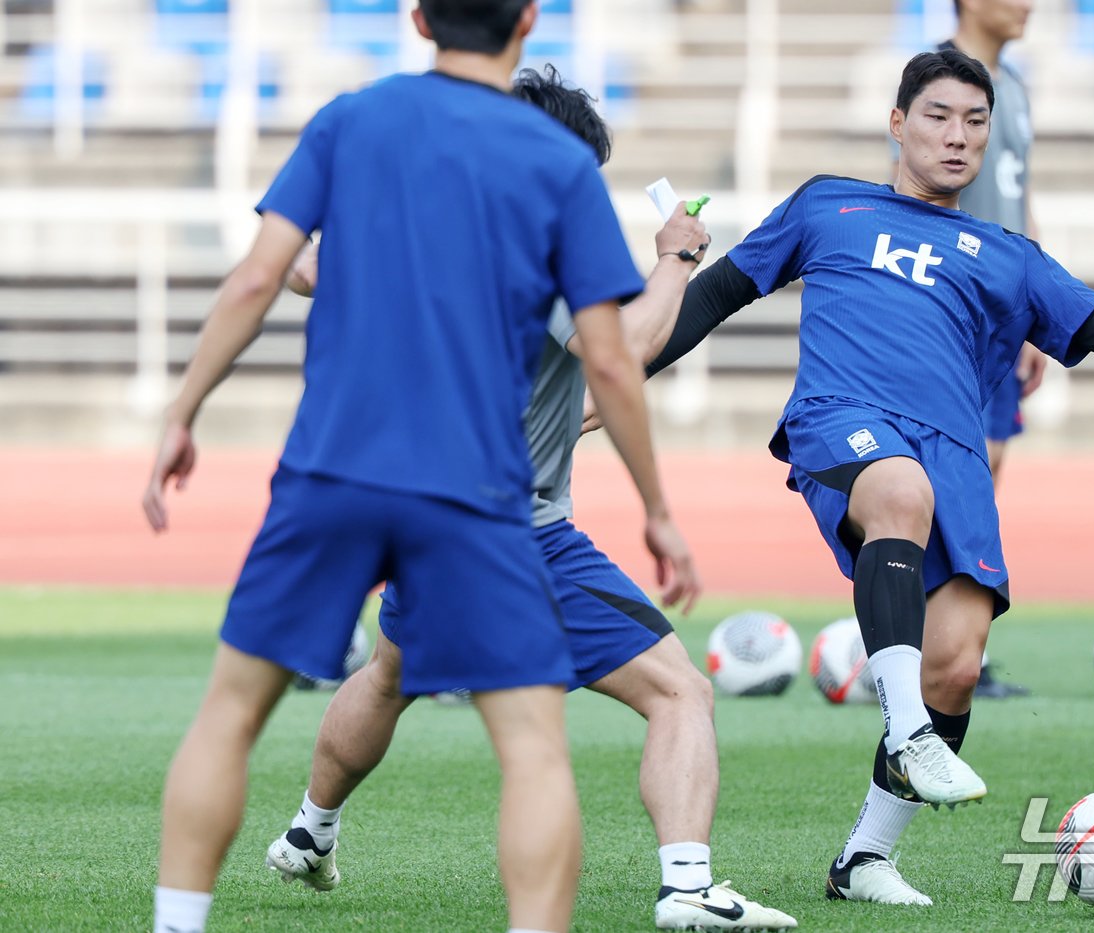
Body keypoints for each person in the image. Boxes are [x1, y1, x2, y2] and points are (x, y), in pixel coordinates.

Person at [139, 3, 699, 932]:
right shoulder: (554, 167)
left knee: (231, 711)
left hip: (332, 469)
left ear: (417, 18)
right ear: (526, 20)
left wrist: (181, 410)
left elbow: (263, 275)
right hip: (474, 492)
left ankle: (180, 921)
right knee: (530, 748)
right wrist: (657, 507)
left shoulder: (353, 122)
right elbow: (614, 354)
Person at [645, 48, 1094, 905]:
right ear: (897, 123)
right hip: (842, 419)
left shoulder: (1008, 254)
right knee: (897, 493)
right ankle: (910, 729)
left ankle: (865, 859)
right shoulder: (826, 205)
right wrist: (624, 372)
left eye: (975, 122)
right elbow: (713, 297)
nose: (958, 137)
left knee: (955, 663)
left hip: (952, 453)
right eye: (938, 116)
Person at [262, 66, 797, 932]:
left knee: (391, 672)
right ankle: (690, 887)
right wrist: (675, 259)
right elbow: (626, 344)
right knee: (679, 692)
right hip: (515, 533)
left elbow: (301, 269)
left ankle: (308, 832)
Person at [896, 0, 1043, 700]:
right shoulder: (939, 82)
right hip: (959, 301)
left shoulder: (1010, 86)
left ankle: (946, 645)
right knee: (954, 467)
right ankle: (913, 643)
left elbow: (1020, 195)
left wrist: (1036, 307)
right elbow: (909, 193)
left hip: (1004, 304)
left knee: (989, 461)